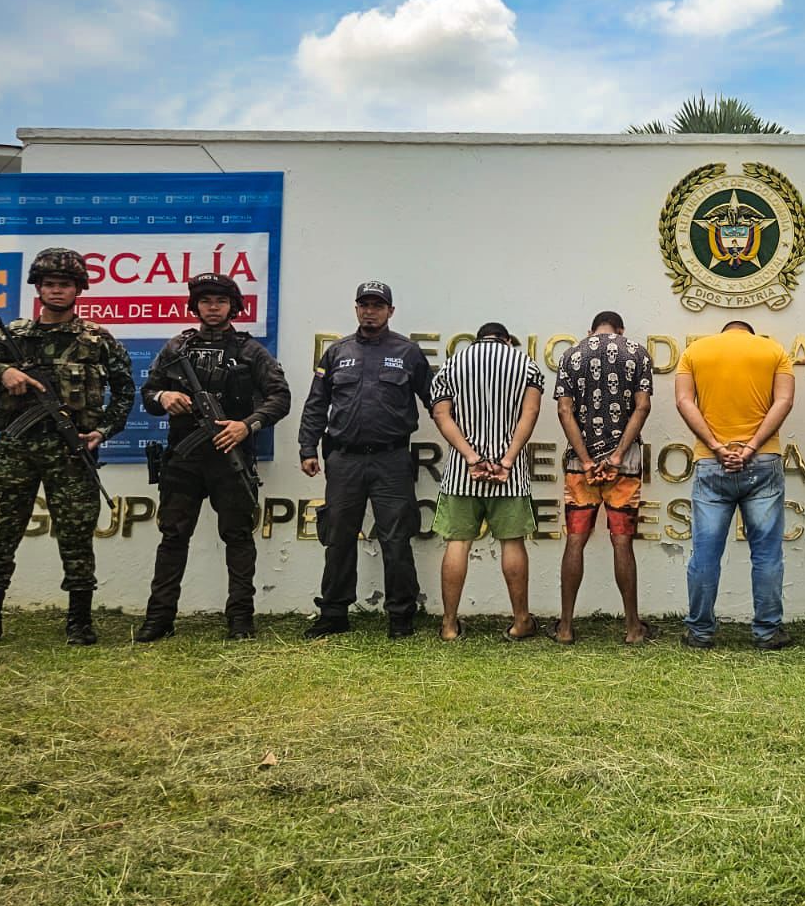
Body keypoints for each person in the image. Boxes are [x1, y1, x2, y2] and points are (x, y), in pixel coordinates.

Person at [0, 247, 134, 647]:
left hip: (72, 452)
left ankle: (79, 622)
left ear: (78, 289)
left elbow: (124, 391)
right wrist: (2, 370)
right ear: (38, 288)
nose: (57, 291)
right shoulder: (10, 336)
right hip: (17, 450)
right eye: (49, 284)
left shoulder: (97, 339)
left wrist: (104, 430)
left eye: (64, 284)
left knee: (77, 538)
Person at [133, 273, 291, 642]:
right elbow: (149, 392)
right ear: (196, 307)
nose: (213, 308)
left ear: (233, 307)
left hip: (230, 457)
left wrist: (247, 425)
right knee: (173, 536)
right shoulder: (177, 347)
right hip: (183, 460)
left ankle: (240, 620)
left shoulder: (250, 350)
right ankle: (159, 618)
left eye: (220, 302)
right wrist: (164, 399)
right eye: (206, 302)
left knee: (237, 537)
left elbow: (279, 397)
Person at [297, 281, 433, 639]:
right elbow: (315, 404)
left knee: (396, 539)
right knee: (338, 537)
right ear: (356, 309)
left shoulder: (408, 352)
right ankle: (333, 613)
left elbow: (436, 402)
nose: (370, 310)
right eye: (364, 304)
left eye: (377, 305)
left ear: (390, 310)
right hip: (344, 460)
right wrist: (307, 448)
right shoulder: (337, 353)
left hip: (391, 460)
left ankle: (401, 616)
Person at [675, 321, 795, 650]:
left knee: (705, 554)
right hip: (763, 461)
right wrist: (752, 446)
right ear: (751, 333)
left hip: (712, 462)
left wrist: (716, 446)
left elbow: (684, 402)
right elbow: (783, 402)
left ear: (724, 331)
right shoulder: (774, 350)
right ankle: (768, 631)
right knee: (767, 554)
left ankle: (700, 632)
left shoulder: (694, 352)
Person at [430, 322, 545, 642]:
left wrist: (471, 457)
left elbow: (441, 415)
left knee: (457, 543)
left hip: (462, 475)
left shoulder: (453, 363)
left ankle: (450, 625)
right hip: (510, 475)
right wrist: (506, 460)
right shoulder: (526, 365)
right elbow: (531, 412)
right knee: (513, 543)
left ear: (477, 338)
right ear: (507, 339)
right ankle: (521, 621)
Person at [551, 311, 655, 644]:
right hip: (623, 467)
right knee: (622, 542)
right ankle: (632, 628)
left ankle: (565, 627)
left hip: (579, 469)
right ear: (621, 329)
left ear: (591, 330)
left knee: (575, 540)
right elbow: (642, 407)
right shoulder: (637, 352)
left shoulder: (571, 354)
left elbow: (564, 411)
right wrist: (617, 455)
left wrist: (584, 460)